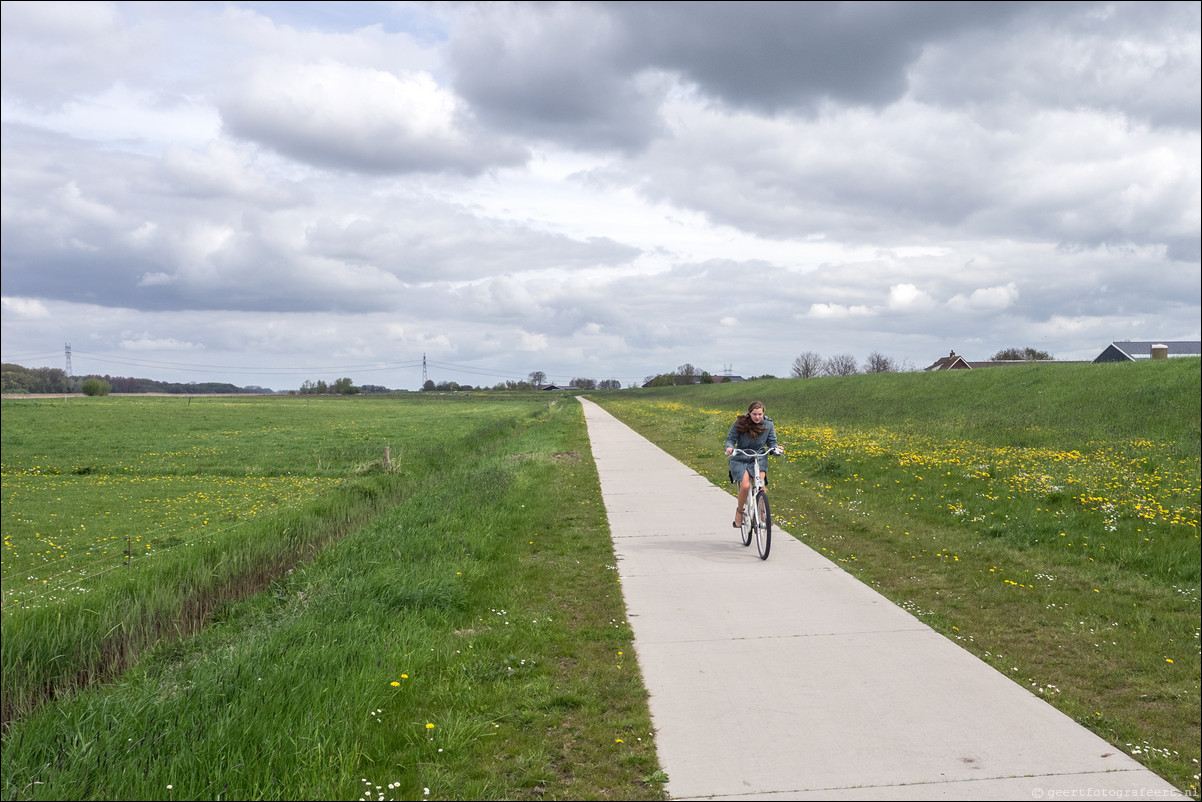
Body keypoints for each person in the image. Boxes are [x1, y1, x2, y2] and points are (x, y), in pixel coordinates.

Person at [725, 400, 783, 527]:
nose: (757, 417)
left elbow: (772, 441)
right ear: (749, 413)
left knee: (761, 484)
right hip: (741, 457)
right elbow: (730, 439)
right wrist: (729, 448)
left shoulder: (768, 424)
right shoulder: (740, 423)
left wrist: (775, 449)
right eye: (755, 414)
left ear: (763, 414)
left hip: (758, 457)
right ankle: (740, 511)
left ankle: (763, 513)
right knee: (745, 486)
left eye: (760, 414)